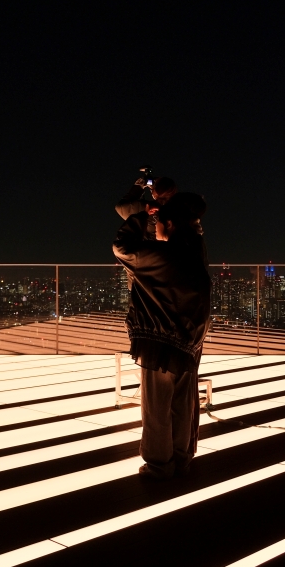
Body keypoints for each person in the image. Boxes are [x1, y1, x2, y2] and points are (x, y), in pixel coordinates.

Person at [113, 192, 211, 480]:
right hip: (189, 342)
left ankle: (158, 465)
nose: (154, 226)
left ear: (169, 224)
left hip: (160, 342)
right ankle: (181, 458)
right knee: (182, 403)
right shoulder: (194, 253)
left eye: (157, 221)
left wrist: (141, 213)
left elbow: (122, 247)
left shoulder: (162, 256)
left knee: (156, 406)